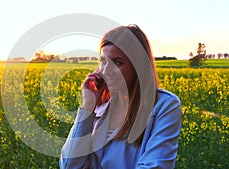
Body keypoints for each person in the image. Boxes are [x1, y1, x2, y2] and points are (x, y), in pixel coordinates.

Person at [59, 24, 182, 169]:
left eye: (117, 63)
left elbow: (155, 166)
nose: (106, 71)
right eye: (103, 61)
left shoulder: (164, 106)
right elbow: (69, 166)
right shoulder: (99, 108)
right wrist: (87, 107)